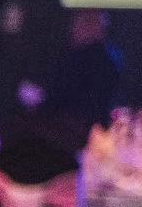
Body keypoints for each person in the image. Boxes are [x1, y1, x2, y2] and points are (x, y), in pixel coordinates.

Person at [44, 9, 122, 148]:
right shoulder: (109, 57)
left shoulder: (91, 60)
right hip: (89, 131)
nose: (74, 29)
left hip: (76, 132)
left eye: (80, 24)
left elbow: (68, 99)